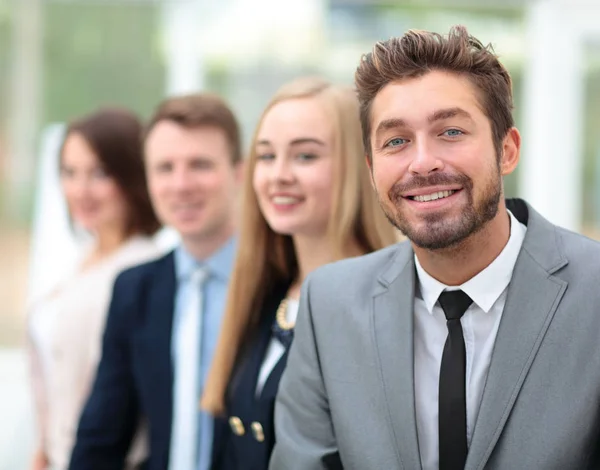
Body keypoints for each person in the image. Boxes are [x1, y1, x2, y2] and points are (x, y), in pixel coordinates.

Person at [270, 25, 600, 470]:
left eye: (450, 132)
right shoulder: (328, 304)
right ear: (371, 170)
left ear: (507, 150)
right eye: (396, 141)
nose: (422, 162)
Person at [201, 77, 397, 470]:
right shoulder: (262, 295)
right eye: (266, 156)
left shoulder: (387, 308)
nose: (278, 175)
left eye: (305, 156)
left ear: (360, 168)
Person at [68, 93, 243, 470]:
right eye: (164, 168)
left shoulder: (279, 282)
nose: (181, 184)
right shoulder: (134, 289)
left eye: (200, 164)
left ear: (239, 172)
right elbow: (101, 435)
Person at [27, 108, 162, 470]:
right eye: (70, 173)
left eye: (99, 173)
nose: (80, 190)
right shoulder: (78, 262)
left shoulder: (144, 272)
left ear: (131, 176)